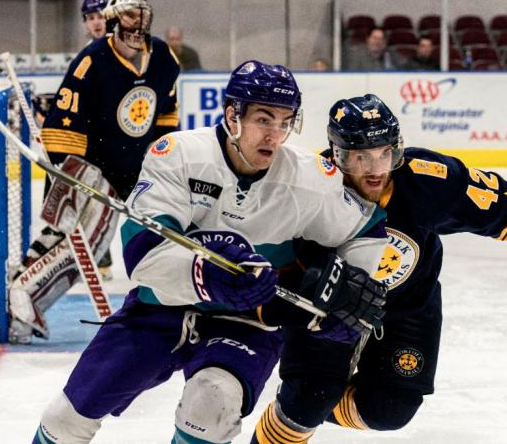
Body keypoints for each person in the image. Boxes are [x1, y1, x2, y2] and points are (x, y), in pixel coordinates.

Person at [32, 60, 389, 443]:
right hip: (160, 309)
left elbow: (366, 229)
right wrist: (203, 274)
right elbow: (141, 255)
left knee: (212, 403)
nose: (275, 135)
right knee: (64, 419)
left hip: (249, 321)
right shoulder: (178, 155)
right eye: (264, 120)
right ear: (232, 115)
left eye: (285, 122)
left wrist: (346, 286)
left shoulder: (309, 178)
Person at [251, 94, 507, 443]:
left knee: (389, 410)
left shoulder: (429, 181)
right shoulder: (308, 187)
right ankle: (297, 407)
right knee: (306, 402)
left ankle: (299, 405)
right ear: (338, 155)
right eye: (360, 158)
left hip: (408, 305)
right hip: (331, 307)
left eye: (385, 154)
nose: (375, 170)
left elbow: (501, 208)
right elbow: (267, 256)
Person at [8, 0, 181, 344]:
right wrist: (74, 175)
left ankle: (23, 285)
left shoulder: (164, 58)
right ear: (115, 20)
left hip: (135, 168)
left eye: (142, 14)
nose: (139, 21)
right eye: (131, 15)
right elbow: (62, 123)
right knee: (81, 239)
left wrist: (162, 161)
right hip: (92, 165)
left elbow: (165, 115)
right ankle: (23, 295)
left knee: (89, 241)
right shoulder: (92, 60)